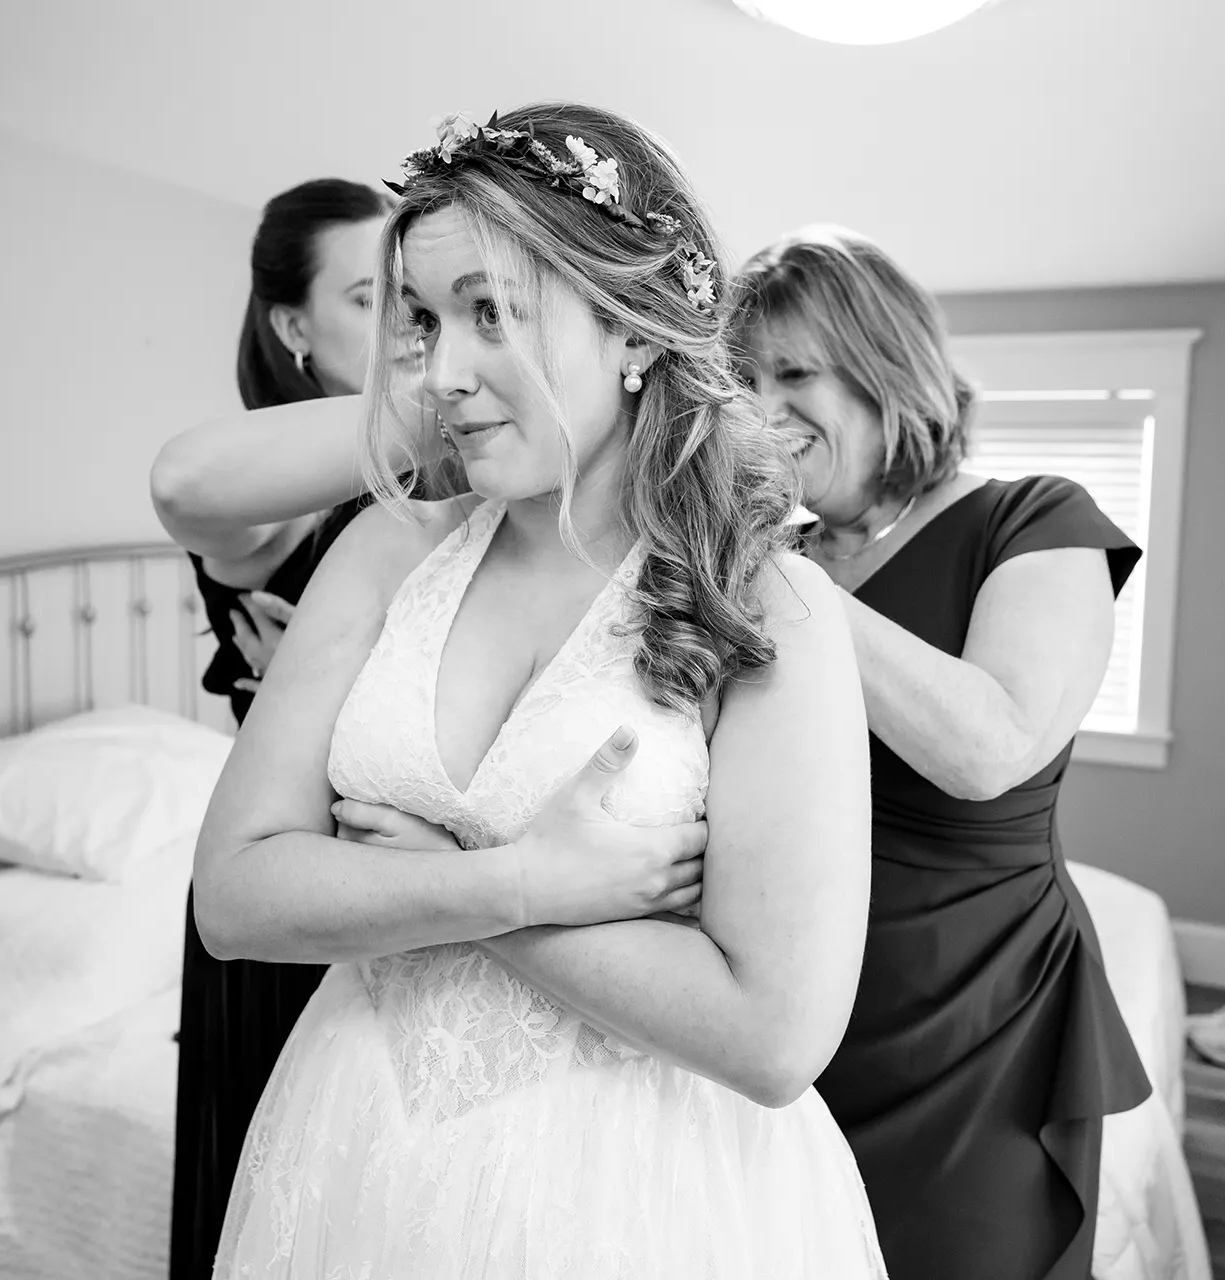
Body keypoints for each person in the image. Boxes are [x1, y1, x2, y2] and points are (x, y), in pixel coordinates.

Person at [175, 103, 885, 1277]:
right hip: (358, 1144)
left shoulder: (769, 610)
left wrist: (430, 877)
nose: (441, 374)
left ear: (634, 333)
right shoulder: (386, 550)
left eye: (494, 314)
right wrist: (515, 878)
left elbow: (773, 1035)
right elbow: (234, 893)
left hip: (641, 1196)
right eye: (422, 318)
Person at [729, 226, 1150, 1280]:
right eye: (740, 379)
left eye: (793, 372)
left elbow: (992, 746)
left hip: (975, 1021)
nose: (761, 407)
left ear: (886, 372)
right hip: (790, 1010)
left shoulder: (1035, 518)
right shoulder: (768, 561)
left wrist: (782, 584)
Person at [157, 176, 393, 1280]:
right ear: (295, 327)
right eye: (371, 295)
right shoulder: (287, 496)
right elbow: (185, 479)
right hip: (298, 894)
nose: (406, 319)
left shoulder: (450, 481)